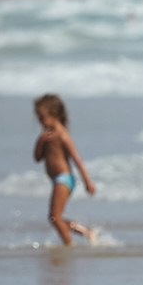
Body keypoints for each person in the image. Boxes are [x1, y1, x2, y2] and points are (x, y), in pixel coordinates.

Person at [33, 94, 97, 246]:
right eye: (39, 119)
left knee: (55, 217)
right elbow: (37, 158)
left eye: (43, 118)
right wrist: (40, 141)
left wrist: (87, 181)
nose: (40, 122)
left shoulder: (62, 135)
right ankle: (85, 233)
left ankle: (69, 244)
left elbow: (77, 160)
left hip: (64, 178)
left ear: (54, 115)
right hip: (57, 180)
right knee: (55, 218)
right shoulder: (45, 137)